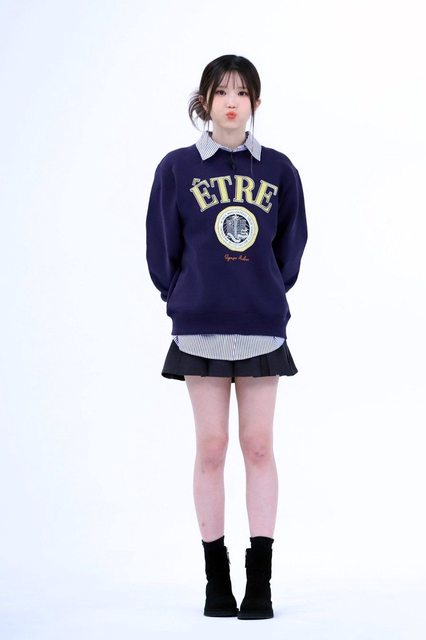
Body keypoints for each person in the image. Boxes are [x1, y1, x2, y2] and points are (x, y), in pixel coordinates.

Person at [145, 54, 308, 620]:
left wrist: (265, 290)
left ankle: (259, 583)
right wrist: (183, 296)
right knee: (211, 447)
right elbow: (162, 246)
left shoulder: (280, 170)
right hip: (200, 326)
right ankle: (217, 581)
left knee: (258, 446)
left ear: (256, 102)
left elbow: (291, 245)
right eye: (220, 92)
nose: (231, 102)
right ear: (205, 102)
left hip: (260, 325)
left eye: (241, 92)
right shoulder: (177, 168)